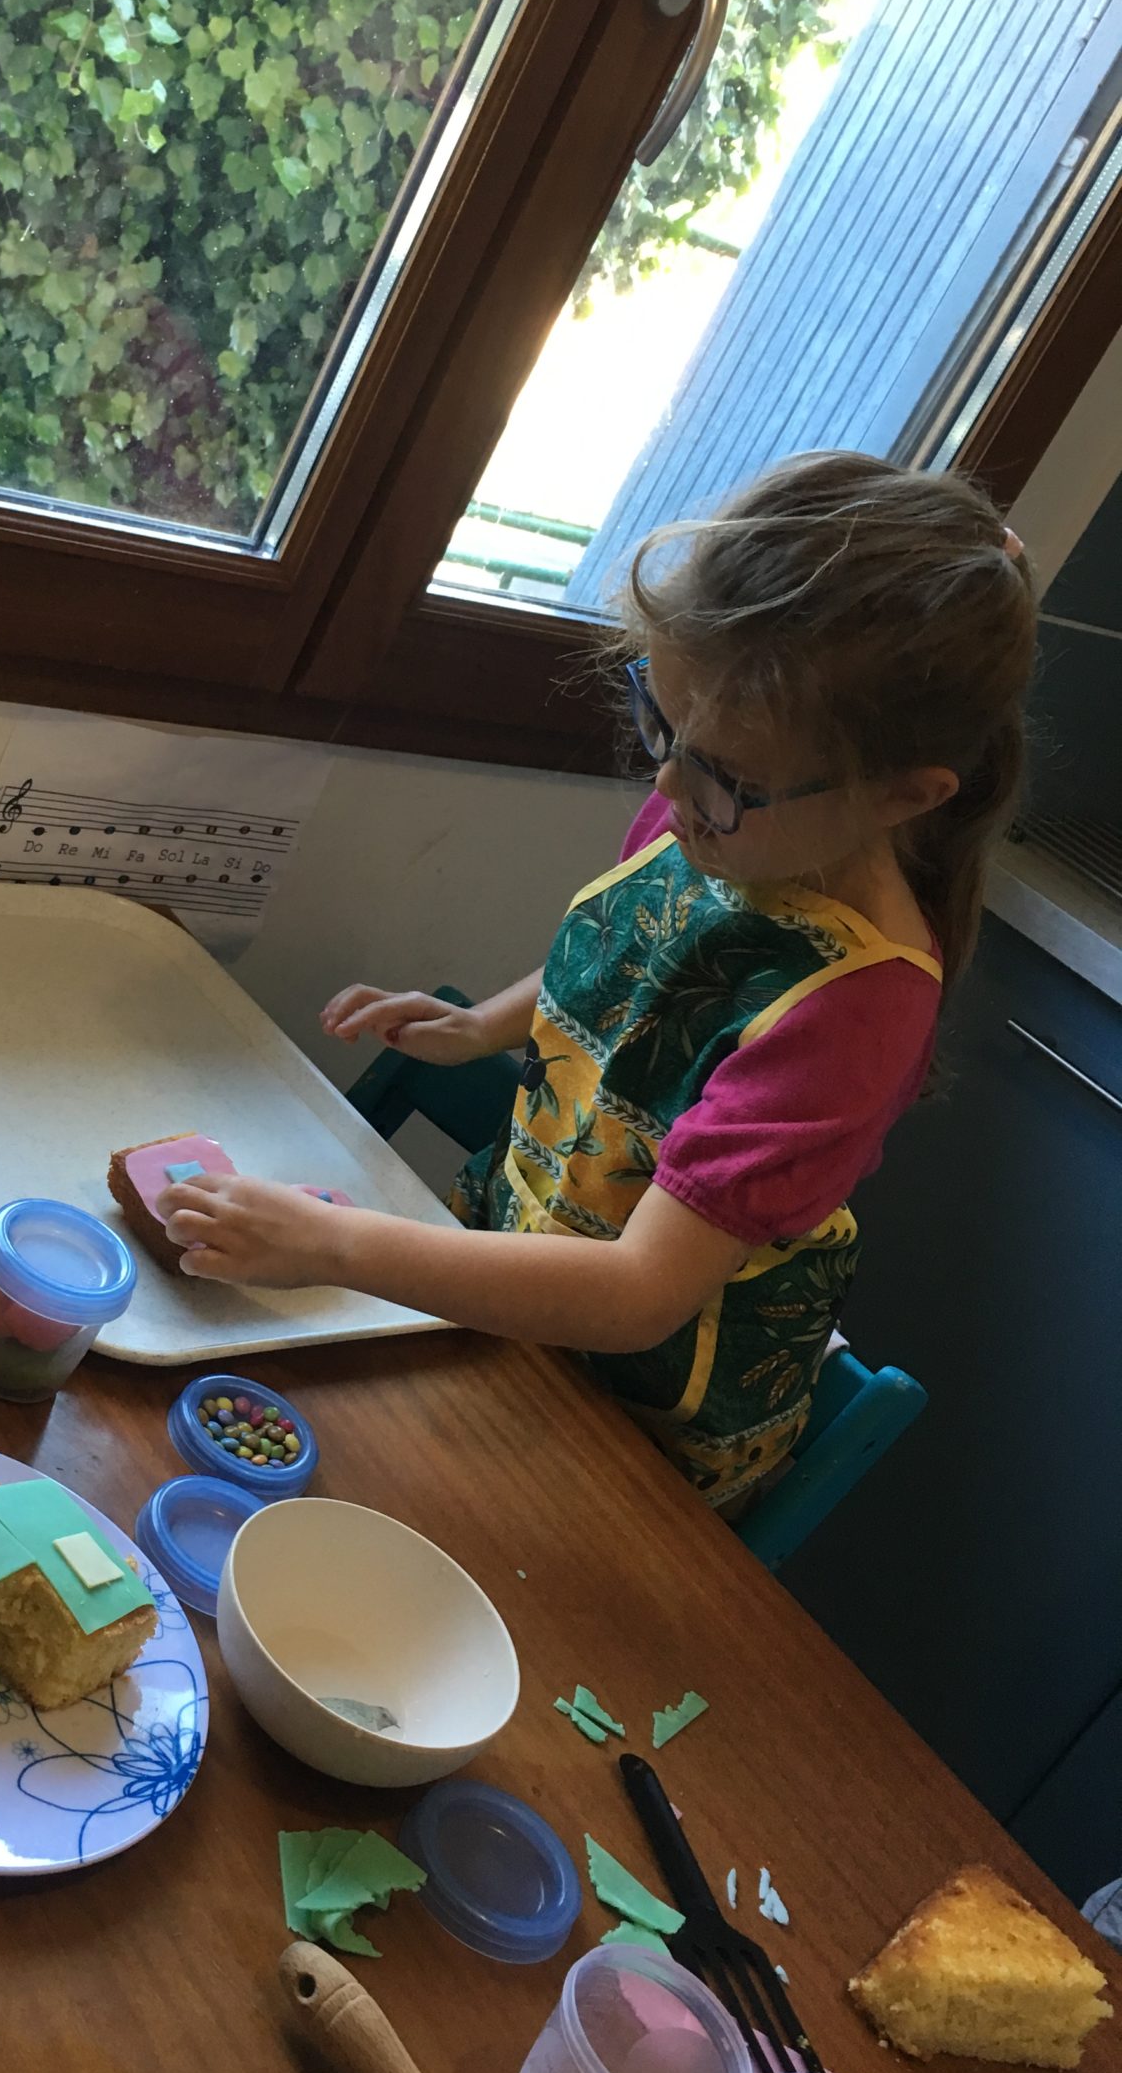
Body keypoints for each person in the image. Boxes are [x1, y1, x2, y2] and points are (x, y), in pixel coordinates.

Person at [161, 454, 1036, 1504]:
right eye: (665, 723)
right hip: (518, 1300)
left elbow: (636, 1294)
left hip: (637, 1425)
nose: (666, 782)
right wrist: (483, 1026)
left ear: (904, 795)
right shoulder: (719, 820)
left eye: (723, 774)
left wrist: (337, 1244)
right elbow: (633, 964)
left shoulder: (855, 1015)